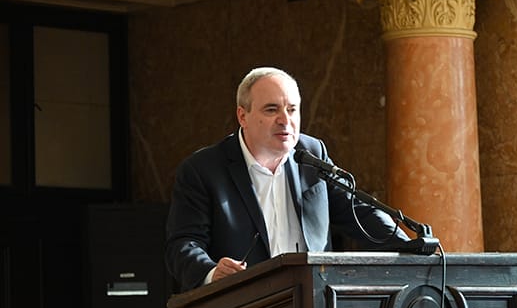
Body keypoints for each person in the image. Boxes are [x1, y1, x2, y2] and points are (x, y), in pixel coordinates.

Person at [165, 66, 410, 293]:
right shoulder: (203, 169)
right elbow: (183, 245)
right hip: (241, 305)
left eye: (292, 109)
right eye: (271, 110)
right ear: (242, 116)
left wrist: (410, 249)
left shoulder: (311, 154)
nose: (285, 120)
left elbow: (359, 211)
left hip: (313, 302)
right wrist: (211, 272)